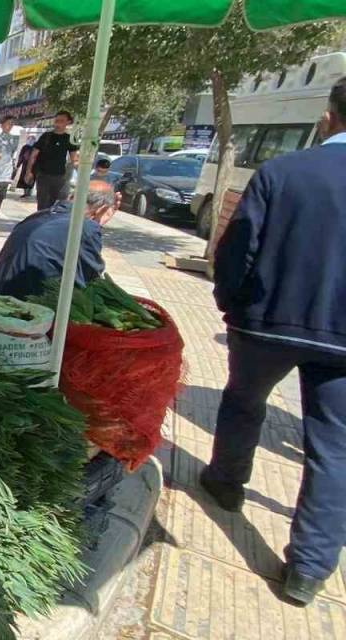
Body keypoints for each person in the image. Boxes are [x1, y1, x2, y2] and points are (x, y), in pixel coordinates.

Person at [201, 77, 346, 607]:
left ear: (328, 117)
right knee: (334, 450)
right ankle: (307, 571)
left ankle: (226, 483)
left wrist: (228, 301)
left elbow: (238, 246)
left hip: (266, 322)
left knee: (243, 403)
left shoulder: (282, 172)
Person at [0, 181, 118, 300]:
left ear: (71, 197)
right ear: (102, 209)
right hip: (27, 308)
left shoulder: (39, 216)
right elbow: (92, 280)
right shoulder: (85, 227)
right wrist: (97, 225)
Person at [26, 111, 80, 209]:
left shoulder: (70, 139)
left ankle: (48, 222)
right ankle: (41, 222)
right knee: (42, 204)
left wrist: (82, 174)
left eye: (62, 121)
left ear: (68, 122)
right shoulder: (46, 136)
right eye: (57, 120)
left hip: (59, 176)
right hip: (43, 175)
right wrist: (28, 171)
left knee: (54, 205)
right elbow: (33, 155)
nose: (58, 123)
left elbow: (74, 159)